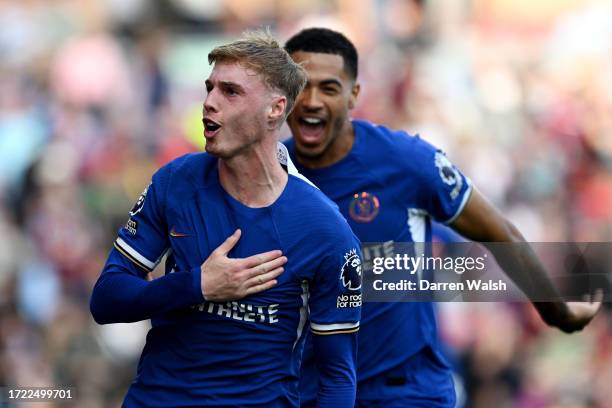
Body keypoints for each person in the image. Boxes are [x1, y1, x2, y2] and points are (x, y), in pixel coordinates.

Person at [283, 27, 603, 407]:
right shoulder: (268, 178)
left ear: (354, 95)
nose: (312, 101)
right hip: (316, 394)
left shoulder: (406, 162)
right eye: (301, 87)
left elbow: (500, 234)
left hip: (407, 392)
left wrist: (557, 312)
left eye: (329, 88)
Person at [90, 30, 362, 407]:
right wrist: (196, 285)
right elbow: (105, 300)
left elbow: (337, 377)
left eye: (230, 92)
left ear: (275, 109)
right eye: (210, 88)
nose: (208, 103)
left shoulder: (325, 229)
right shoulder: (174, 182)